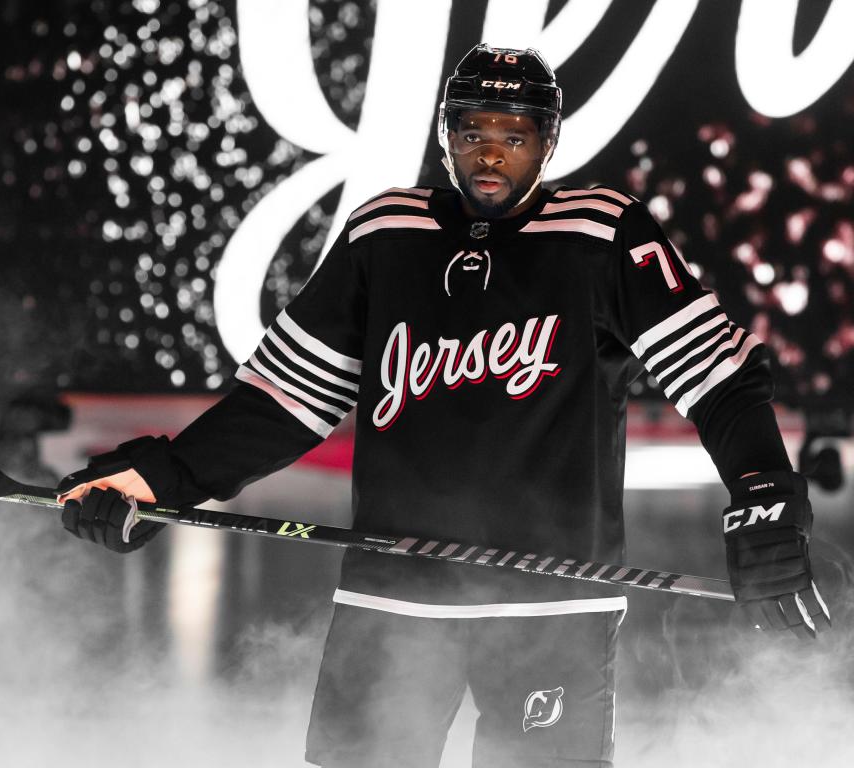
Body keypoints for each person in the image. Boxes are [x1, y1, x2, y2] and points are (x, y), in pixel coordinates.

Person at [57, 44, 830, 767]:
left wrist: (763, 492)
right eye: (473, 130)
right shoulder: (385, 233)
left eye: (515, 134)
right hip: (392, 597)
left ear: (549, 143)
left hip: (550, 605)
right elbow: (286, 399)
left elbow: (717, 376)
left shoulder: (602, 233)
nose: (491, 153)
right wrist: (160, 478)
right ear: (445, 133)